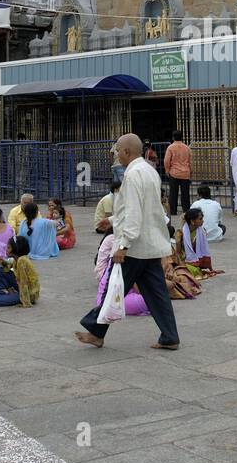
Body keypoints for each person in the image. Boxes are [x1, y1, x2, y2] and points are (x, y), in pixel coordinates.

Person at [76, 133, 180, 351]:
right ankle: (170, 335)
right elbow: (147, 209)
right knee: (157, 293)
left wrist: (122, 245)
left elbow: (134, 213)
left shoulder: (133, 175)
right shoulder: (150, 171)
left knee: (113, 289)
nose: (116, 155)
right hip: (150, 245)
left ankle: (96, 332)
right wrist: (113, 220)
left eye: (117, 151)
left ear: (126, 151)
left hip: (134, 247)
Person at [0, 234, 41, 307]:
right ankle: (3, 293)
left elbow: (24, 282)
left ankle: (12, 296)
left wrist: (25, 302)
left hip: (28, 294)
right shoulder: (16, 259)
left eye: (8, 248)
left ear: (15, 249)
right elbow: (7, 266)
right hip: (20, 288)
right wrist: (1, 261)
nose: (6, 250)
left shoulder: (22, 261)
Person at [176, 206, 223, 275]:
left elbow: (203, 250)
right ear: (192, 221)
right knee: (192, 270)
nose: (203, 221)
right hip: (184, 261)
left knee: (195, 270)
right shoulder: (179, 233)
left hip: (196, 260)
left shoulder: (201, 231)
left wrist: (211, 269)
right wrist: (181, 265)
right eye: (200, 219)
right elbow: (178, 253)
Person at [164, 130, 192, 215]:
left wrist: (167, 170)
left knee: (173, 193)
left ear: (173, 138)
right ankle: (186, 210)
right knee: (185, 194)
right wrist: (191, 171)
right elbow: (190, 161)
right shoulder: (187, 148)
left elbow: (166, 160)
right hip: (185, 173)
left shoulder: (171, 147)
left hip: (174, 173)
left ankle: (173, 211)